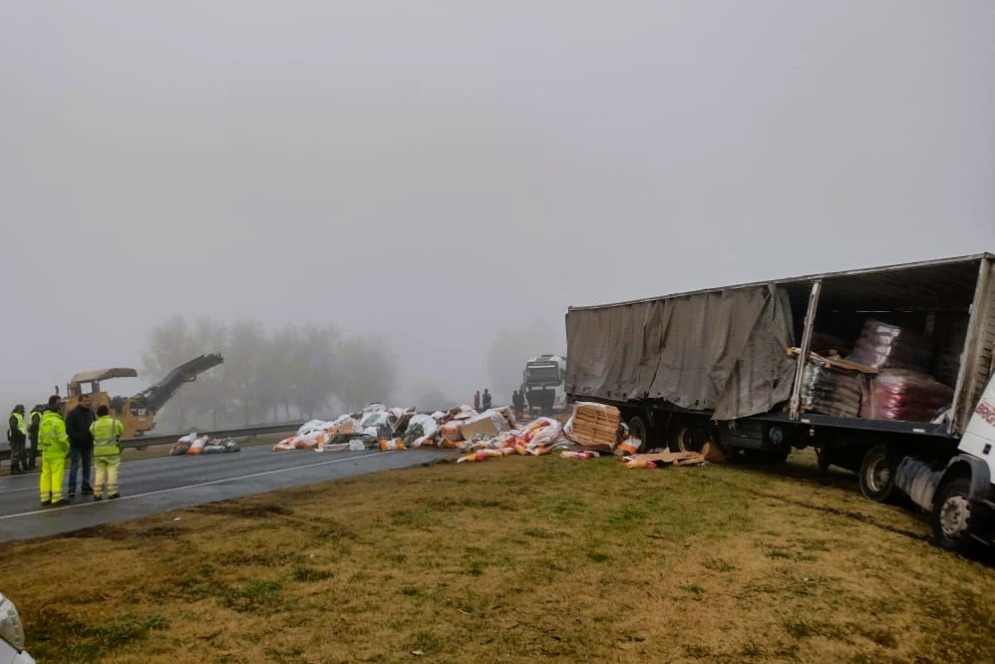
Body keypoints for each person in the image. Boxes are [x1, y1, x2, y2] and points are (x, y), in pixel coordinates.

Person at [39, 395, 70, 506]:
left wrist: (43, 449)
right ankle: (56, 498)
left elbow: (40, 438)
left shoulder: (43, 421)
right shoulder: (58, 422)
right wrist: (67, 450)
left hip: (46, 453)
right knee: (57, 475)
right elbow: (63, 439)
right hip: (57, 453)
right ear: (58, 410)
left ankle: (45, 498)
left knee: (45, 475)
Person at [89, 405, 124, 500]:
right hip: (112, 452)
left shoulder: (94, 425)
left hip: (98, 452)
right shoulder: (115, 423)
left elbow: (92, 433)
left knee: (99, 472)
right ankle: (112, 492)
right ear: (108, 412)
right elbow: (121, 431)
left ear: (98, 414)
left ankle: (97, 494)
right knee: (112, 471)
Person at [65, 393, 96, 497]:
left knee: (87, 466)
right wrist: (76, 437)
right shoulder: (73, 413)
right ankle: (72, 488)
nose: (88, 403)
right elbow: (68, 428)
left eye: (89, 401)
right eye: (85, 401)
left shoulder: (91, 413)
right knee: (74, 466)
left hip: (88, 444)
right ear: (80, 402)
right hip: (76, 444)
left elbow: (95, 426)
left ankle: (85, 486)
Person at [7, 405, 27, 475]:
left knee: (18, 454)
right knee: (15, 454)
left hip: (19, 438)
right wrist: (20, 433)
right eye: (22, 409)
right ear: (18, 409)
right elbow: (13, 427)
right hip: (15, 437)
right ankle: (13, 469)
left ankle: (17, 468)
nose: (23, 411)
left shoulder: (20, 416)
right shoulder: (14, 417)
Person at [26, 404, 44, 471]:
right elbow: (35, 424)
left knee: (33, 450)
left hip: (33, 434)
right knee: (34, 450)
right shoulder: (37, 414)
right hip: (35, 434)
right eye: (41, 408)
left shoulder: (33, 414)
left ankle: (32, 464)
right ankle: (31, 465)